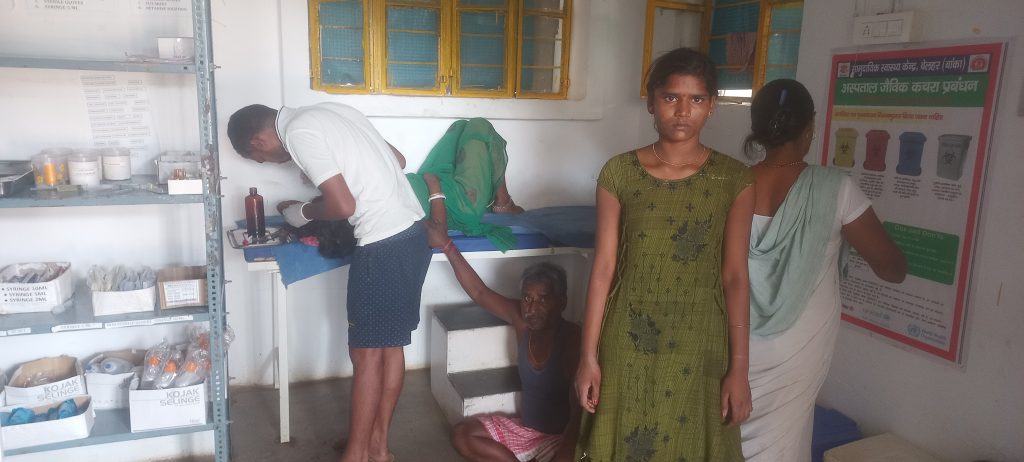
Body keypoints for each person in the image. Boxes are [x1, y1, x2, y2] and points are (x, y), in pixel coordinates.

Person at [574, 47, 755, 461]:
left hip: (701, 340)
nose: (683, 111)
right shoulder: (619, 173)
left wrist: (740, 368)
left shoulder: (734, 179)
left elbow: (734, 276)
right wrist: (587, 357)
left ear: (712, 106)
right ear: (652, 101)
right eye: (671, 97)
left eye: (697, 99)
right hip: (627, 337)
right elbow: (603, 269)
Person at [227, 102, 431, 462]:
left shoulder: (299, 132)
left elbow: (343, 206)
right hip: (412, 234)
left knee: (366, 354)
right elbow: (397, 160)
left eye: (261, 159)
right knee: (390, 346)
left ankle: (356, 455)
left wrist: (302, 212)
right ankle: (377, 447)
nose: (271, 163)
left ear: (258, 142)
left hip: (382, 244)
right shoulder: (332, 111)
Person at [739, 79, 906, 461]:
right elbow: (891, 268)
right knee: (783, 443)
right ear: (809, 128)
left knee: (730, 433)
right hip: (796, 348)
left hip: (735, 338)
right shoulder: (836, 189)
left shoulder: (733, 185)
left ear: (758, 128)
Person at [422, 175, 581, 462]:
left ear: (562, 302)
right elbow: (479, 292)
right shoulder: (522, 321)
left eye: (543, 299)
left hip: (563, 439)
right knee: (463, 435)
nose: (532, 308)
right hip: (527, 431)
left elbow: (580, 414)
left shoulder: (572, 340)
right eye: (527, 298)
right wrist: (446, 246)